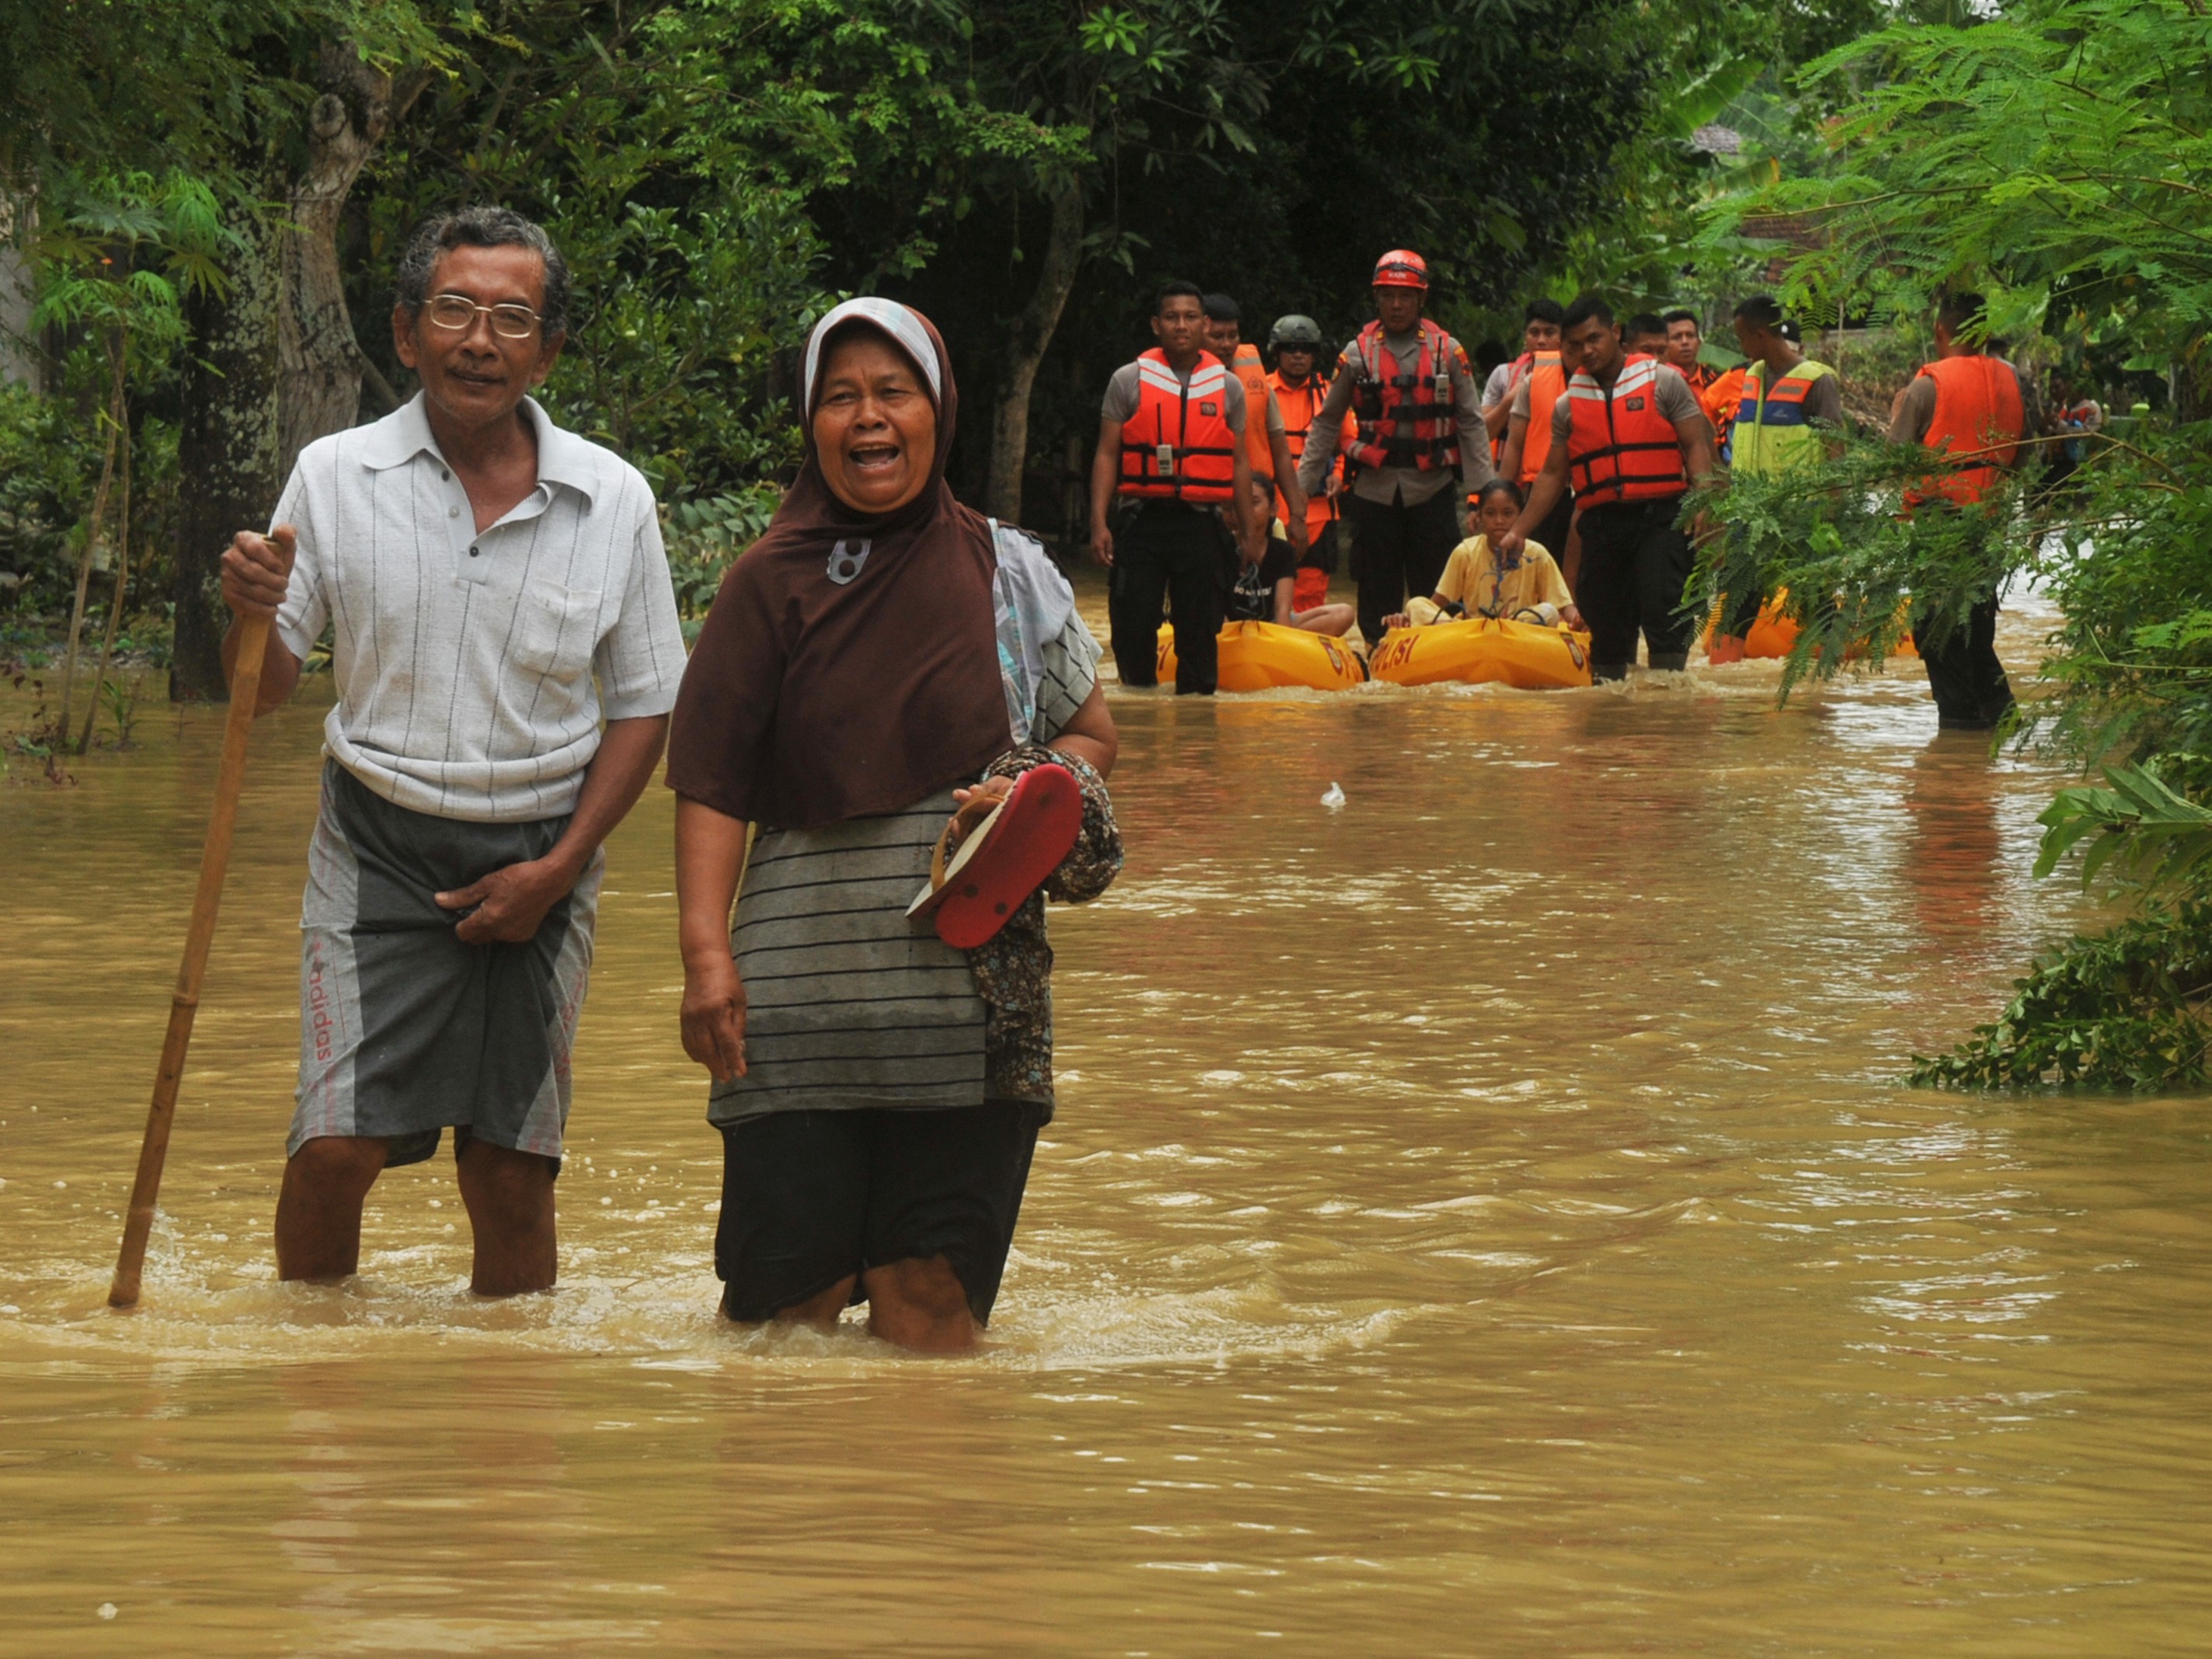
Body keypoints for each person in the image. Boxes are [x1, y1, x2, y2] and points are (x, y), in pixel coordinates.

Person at [214, 207, 687, 1296]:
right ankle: (317, 1387)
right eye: (456, 311)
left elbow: (646, 708)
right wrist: (249, 614)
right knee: (335, 1150)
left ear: (549, 348)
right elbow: (268, 692)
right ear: (405, 332)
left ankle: (506, 1429)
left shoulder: (612, 499)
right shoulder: (334, 476)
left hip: (545, 851)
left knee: (510, 1169)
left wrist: (557, 870)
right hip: (376, 843)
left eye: (513, 319)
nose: (481, 341)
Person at [668, 298, 1122, 1351]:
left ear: (937, 410)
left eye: (892, 393)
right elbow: (712, 783)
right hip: (793, 1013)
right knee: (784, 1326)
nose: (867, 419)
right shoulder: (763, 582)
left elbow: (1091, 736)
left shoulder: (1011, 576)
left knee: (932, 1323)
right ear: (811, 423)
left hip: (966, 1015)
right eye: (840, 398)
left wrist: (1027, 787)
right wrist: (703, 957)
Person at [1498, 293, 1717, 680]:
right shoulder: (1568, 405)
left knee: (1664, 615)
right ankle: (1612, 721)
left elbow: (1696, 444)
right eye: (1576, 344)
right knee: (1605, 634)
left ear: (1616, 333)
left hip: (1661, 520)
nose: (1587, 350)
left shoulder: (1663, 381)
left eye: (1594, 338)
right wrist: (1519, 530)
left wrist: (1704, 502)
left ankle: (1674, 721)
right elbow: (1551, 475)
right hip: (1602, 527)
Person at [1295, 249, 1495, 647]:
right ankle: (1377, 657)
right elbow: (1327, 422)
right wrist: (1299, 493)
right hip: (1373, 490)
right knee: (1375, 586)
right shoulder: (1356, 354)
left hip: (1432, 486)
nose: (1397, 304)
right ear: (1377, 298)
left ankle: (1436, 656)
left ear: (1422, 299)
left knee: (1437, 587)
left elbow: (1471, 421)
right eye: (1388, 295)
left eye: (1406, 296)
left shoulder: (1447, 351)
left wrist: (1483, 496)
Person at [1091, 281, 1267, 694]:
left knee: (1200, 634)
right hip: (1141, 522)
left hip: (1201, 525)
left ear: (1204, 325)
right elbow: (1106, 455)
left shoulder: (1228, 387)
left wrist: (1251, 532)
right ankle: (1141, 726)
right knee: (1133, 629)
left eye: (1190, 317)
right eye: (1172, 317)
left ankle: (1197, 743)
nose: (1181, 326)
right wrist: (1099, 523)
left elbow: (1241, 464)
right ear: (1156, 324)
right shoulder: (1127, 380)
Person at [1888, 290, 2034, 731]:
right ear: (1986, 333)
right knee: (1974, 628)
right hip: (1989, 523)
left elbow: (1894, 460)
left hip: (1939, 524)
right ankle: (2001, 725)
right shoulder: (2013, 383)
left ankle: (1961, 737)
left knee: (1939, 633)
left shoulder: (1925, 386)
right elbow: (2024, 454)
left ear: (1940, 331)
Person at [1706, 295, 1845, 663]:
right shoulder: (1750, 377)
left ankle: (1824, 695)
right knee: (1735, 607)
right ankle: (1717, 693)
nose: (1741, 347)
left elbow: (1836, 453)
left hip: (1804, 520)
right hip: (1749, 519)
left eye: (1742, 339)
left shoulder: (1818, 382)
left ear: (1761, 335)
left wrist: (1833, 517)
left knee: (1818, 609)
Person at [1383, 479, 1584, 631]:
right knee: (1415, 604)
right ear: (1479, 517)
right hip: (1472, 631)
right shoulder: (1465, 552)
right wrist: (1406, 616)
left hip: (1520, 631)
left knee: (1548, 611)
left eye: (1507, 513)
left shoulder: (1537, 554)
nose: (1499, 521)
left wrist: (1578, 620)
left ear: (1520, 515)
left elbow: (1563, 607)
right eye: (1490, 513)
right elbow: (1435, 604)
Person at [1204, 293, 1306, 550]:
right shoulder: (1177, 381)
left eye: (1233, 335)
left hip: (1256, 507)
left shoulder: (1255, 378)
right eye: (1217, 337)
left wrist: (1296, 514)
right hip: (1205, 511)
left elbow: (1279, 449)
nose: (1227, 344)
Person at [1267, 313, 1351, 610]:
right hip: (1270, 510)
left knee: (1311, 595)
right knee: (1265, 588)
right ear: (1277, 352)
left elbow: (1348, 445)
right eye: (1290, 349)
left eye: (1306, 349)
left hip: (1318, 512)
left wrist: (1339, 475)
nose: (1298, 355)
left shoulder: (1331, 394)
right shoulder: (1260, 392)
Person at [1223, 473, 1357, 636]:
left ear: (1273, 509)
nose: (1245, 510)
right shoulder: (1220, 546)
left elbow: (1282, 610)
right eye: (1238, 504)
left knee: (1344, 613)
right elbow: (1214, 606)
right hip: (1228, 629)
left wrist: (1281, 641)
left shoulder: (1283, 551)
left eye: (1254, 502)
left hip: (1270, 629)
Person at [1496, 326, 1581, 562]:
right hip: (1544, 491)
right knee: (1539, 566)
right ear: (1563, 344)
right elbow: (1514, 443)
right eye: (1573, 343)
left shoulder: (1610, 380)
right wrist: (1501, 497)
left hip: (1592, 490)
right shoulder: (1534, 381)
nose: (1582, 350)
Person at [1480, 298, 1567, 450]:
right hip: (1508, 469)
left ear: (1562, 338)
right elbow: (1482, 433)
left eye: (1550, 333)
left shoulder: (1573, 375)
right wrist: (1510, 399)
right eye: (1534, 333)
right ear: (1525, 338)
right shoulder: (1503, 375)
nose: (1541, 341)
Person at [1661, 308, 1721, 398]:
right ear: (1664, 344)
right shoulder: (1656, 382)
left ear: (1699, 343)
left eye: (1690, 335)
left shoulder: (1716, 380)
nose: (1685, 342)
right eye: (1676, 337)